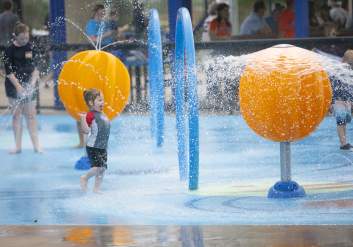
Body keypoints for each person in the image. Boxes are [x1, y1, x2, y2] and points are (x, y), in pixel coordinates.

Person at [3, 22, 41, 154]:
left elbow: (36, 68)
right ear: (15, 36)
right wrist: (19, 87)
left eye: (27, 37)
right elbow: (9, 73)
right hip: (13, 86)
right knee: (16, 116)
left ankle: (37, 146)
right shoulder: (9, 51)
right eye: (22, 38)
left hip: (29, 84)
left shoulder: (31, 47)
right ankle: (18, 146)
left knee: (31, 116)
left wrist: (31, 84)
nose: (25, 40)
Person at [79, 89, 111, 193]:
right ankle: (85, 178)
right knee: (97, 167)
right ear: (91, 103)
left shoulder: (102, 114)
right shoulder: (90, 115)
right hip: (93, 146)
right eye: (100, 100)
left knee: (102, 169)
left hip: (102, 147)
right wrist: (83, 119)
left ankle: (96, 189)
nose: (103, 103)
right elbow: (85, 130)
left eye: (103, 100)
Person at [331, 50, 353, 150]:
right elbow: (332, 85)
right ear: (343, 60)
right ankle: (343, 143)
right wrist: (331, 102)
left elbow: (350, 86)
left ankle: (344, 141)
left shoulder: (350, 71)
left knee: (344, 121)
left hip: (347, 100)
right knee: (341, 122)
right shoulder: (337, 70)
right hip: (338, 100)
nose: (350, 65)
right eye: (349, 62)